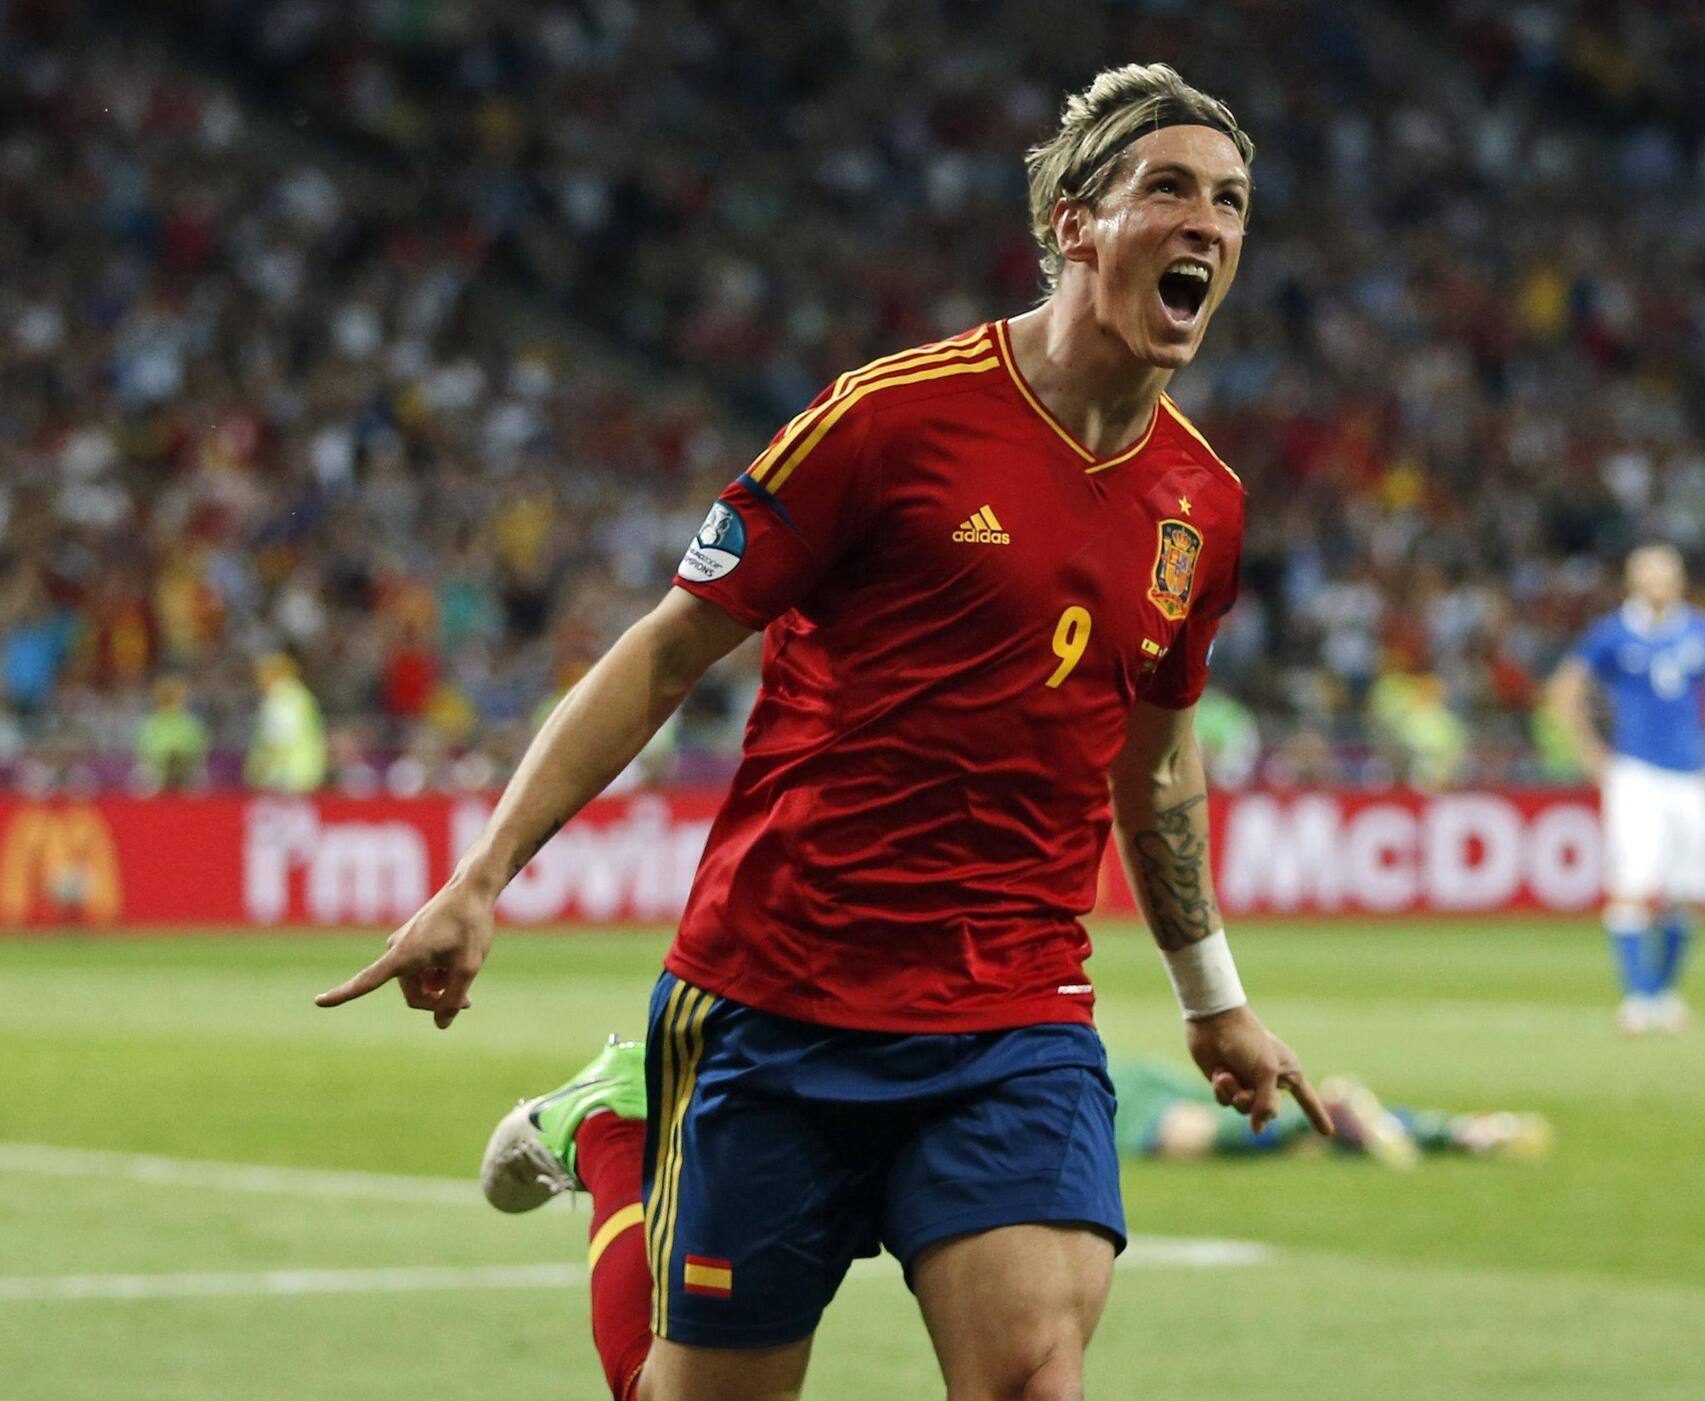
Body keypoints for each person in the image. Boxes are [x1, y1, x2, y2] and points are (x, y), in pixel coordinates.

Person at [318, 64, 1334, 1401]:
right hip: (781, 995)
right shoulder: (887, 419)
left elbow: (1155, 765)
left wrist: (1213, 1001)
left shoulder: (1203, 503)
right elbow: (666, 650)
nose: (1208, 222)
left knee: (1032, 1377)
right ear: (1077, 225)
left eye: (1232, 201)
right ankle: (613, 1133)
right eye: (1170, 189)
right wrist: (482, 875)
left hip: (1011, 1013)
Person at [1546, 545, 1705, 1035]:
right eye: (1650, 576)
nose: (1659, 585)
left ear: (1680, 581)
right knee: (1633, 883)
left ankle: (1663, 992)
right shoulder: (1612, 633)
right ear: (1633, 582)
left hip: (1691, 774)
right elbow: (1566, 690)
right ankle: (1638, 997)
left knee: (1687, 892)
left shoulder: (1702, 630)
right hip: (1635, 773)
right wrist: (1589, 751)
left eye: (1667, 576)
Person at [1108, 1056, 1551, 1167]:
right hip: (1123, 1066)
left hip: (1104, 1087)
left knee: (1185, 1135)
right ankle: (1459, 1132)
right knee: (1314, 1142)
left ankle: (1326, 1112)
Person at [245, 652, 327, 793]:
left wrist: (262, 770)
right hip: (304, 771)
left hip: (285, 774)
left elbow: (278, 738)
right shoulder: (300, 696)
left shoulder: (281, 699)